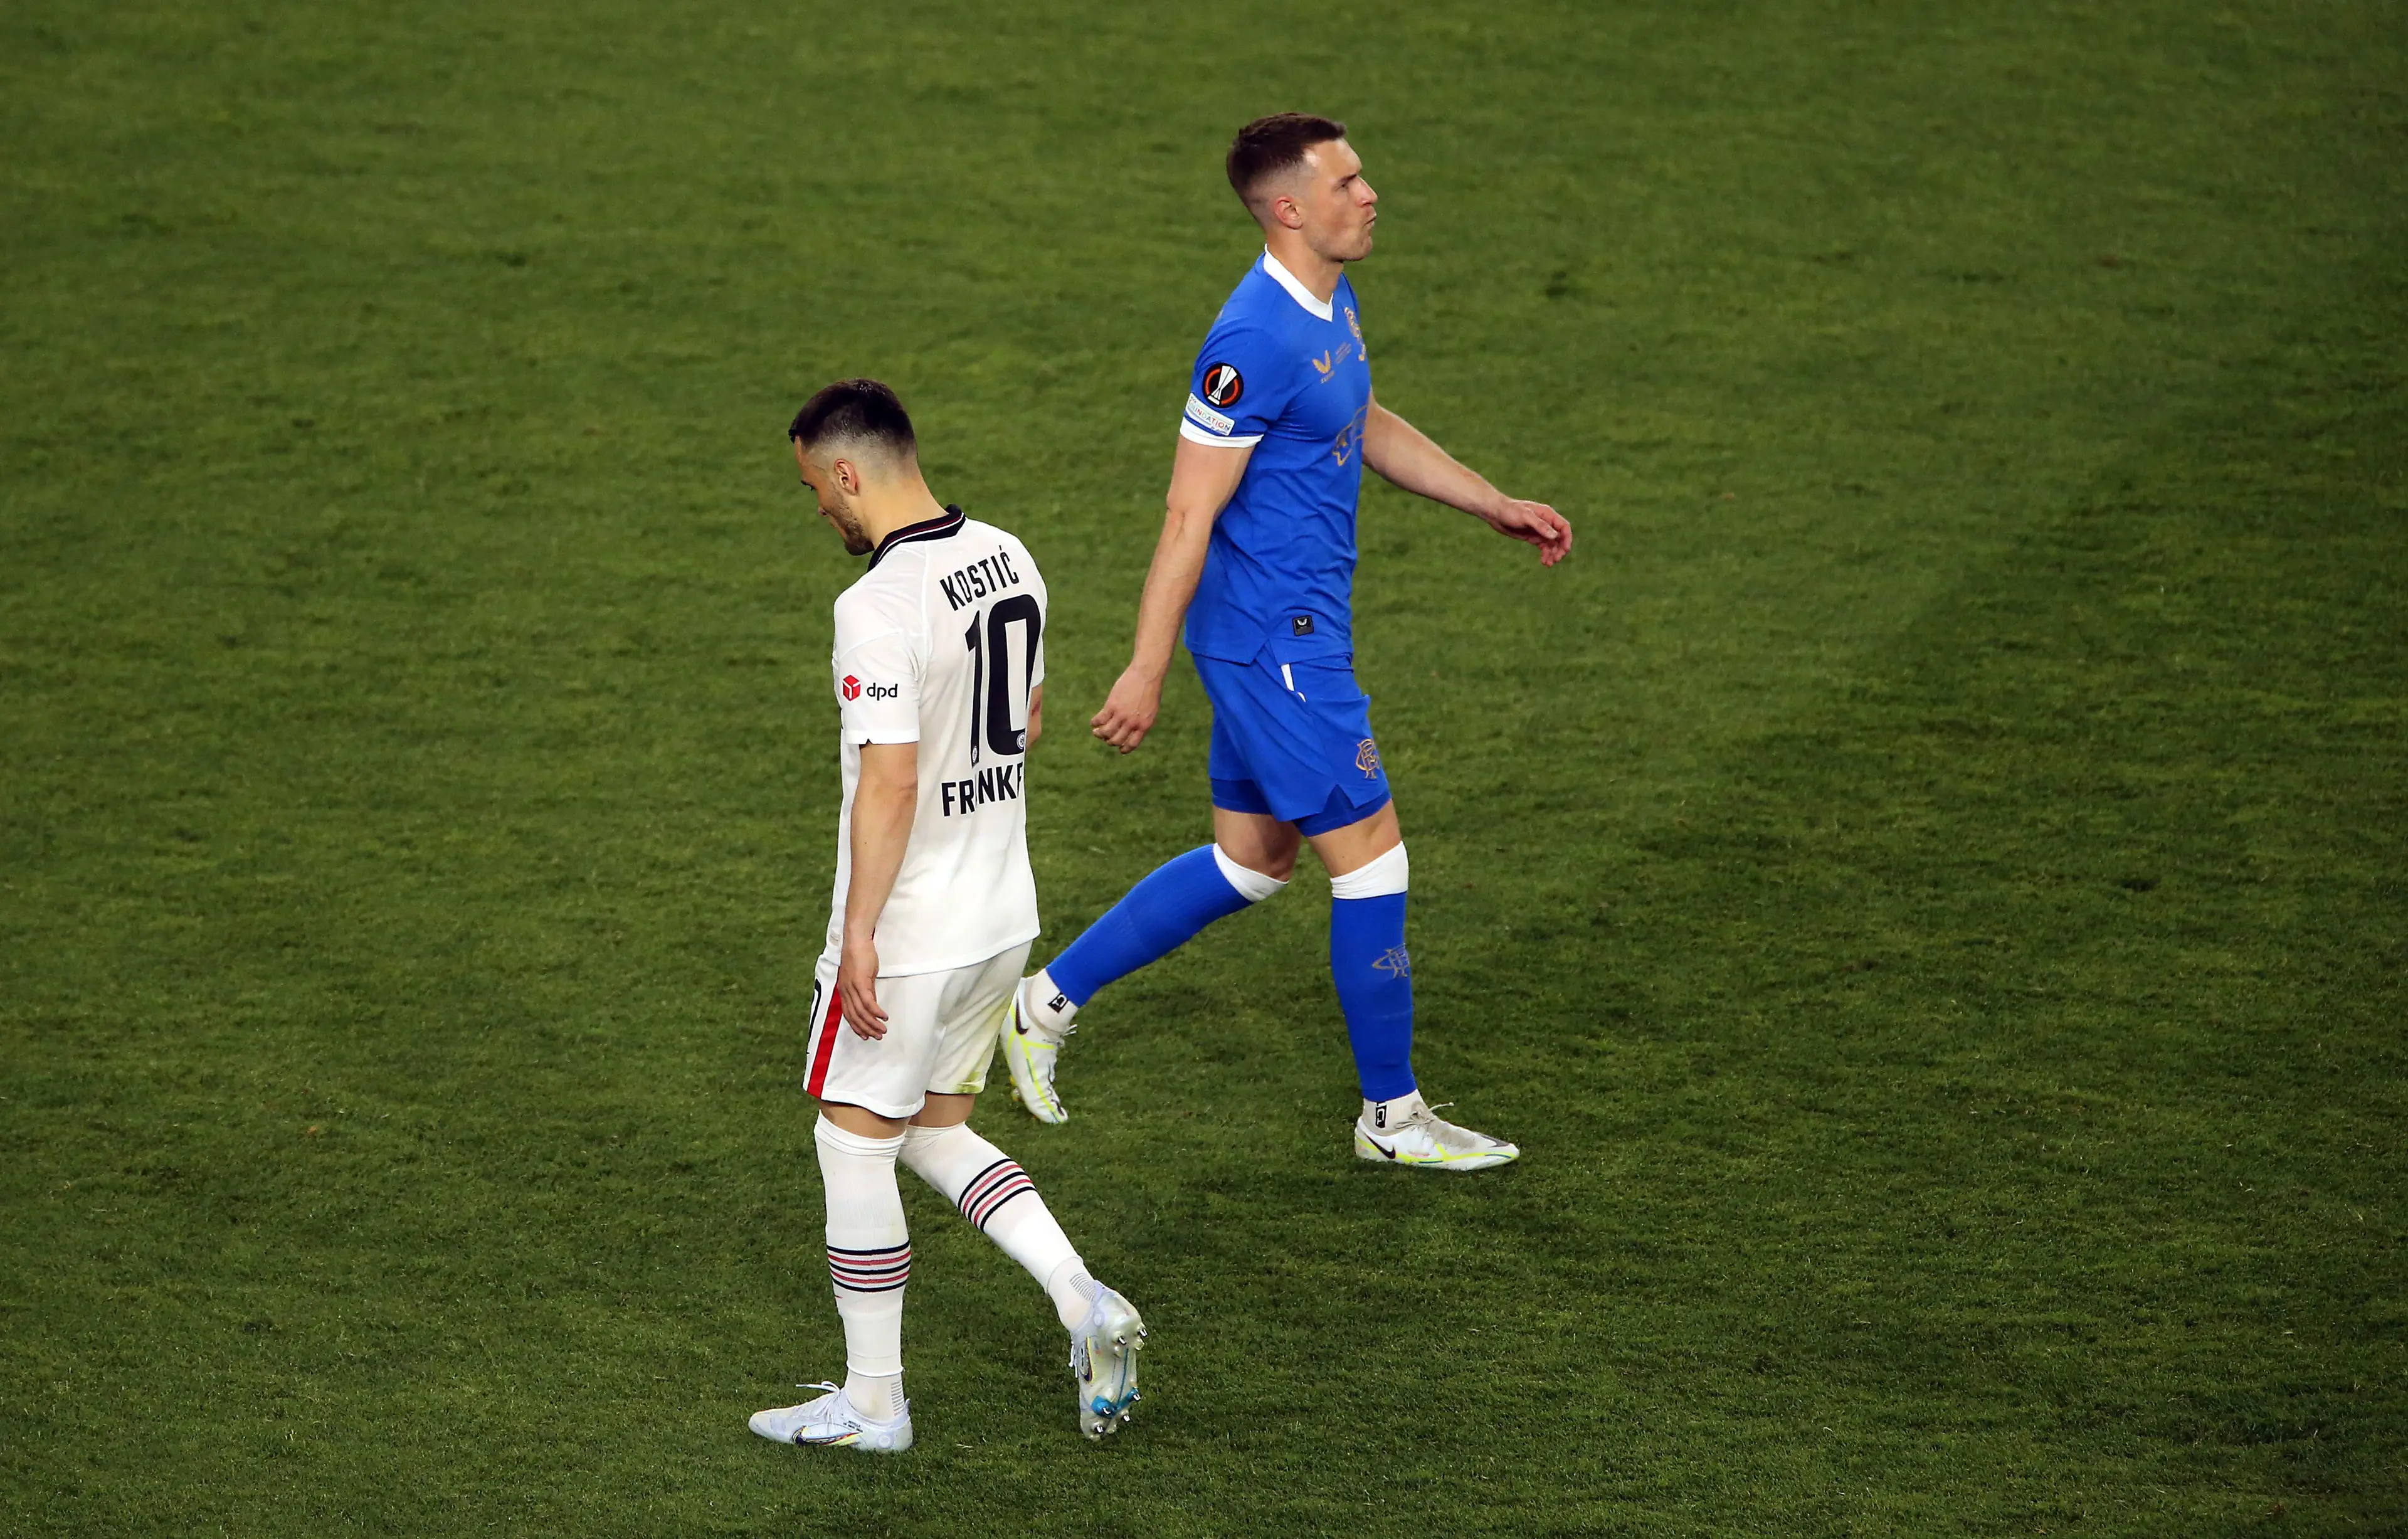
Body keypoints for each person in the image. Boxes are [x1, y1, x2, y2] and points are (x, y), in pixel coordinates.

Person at [998, 115, 1571, 1171]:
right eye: (1349, 181)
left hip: (1289, 632)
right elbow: (1187, 515)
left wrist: (1486, 500)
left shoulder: (1327, 298)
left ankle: (1039, 1003)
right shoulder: (1251, 340)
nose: (1371, 194)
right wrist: (1143, 664)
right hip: (1278, 644)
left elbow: (1357, 413)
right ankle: (1391, 1119)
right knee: (1373, 861)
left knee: (1254, 859)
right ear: (1289, 209)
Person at [749, 379, 1144, 1454]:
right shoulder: (1010, 554)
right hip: (1001, 909)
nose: (819, 513)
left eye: (812, 490)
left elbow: (889, 778)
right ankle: (1082, 1299)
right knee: (936, 1129)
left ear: (845, 473)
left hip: (916, 926)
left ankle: (874, 1403)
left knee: (851, 1141)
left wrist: (863, 933)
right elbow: (1027, 719)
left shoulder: (875, 606)